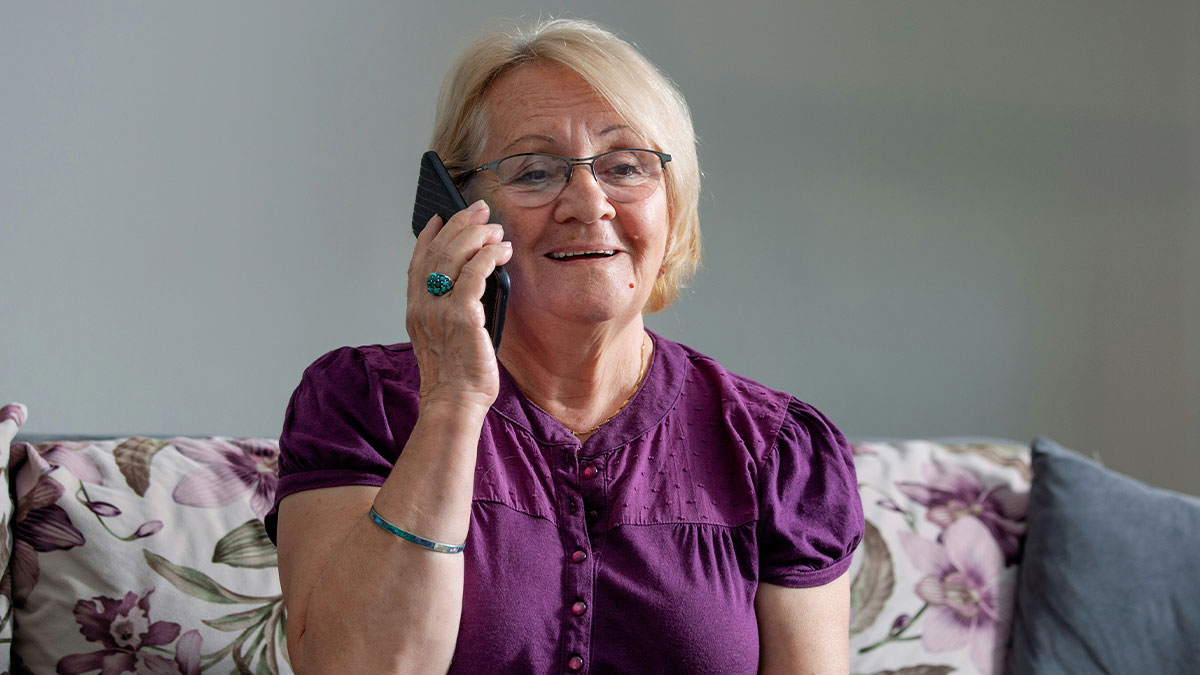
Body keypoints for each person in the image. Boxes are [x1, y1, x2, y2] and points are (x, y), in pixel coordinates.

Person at [266, 17, 863, 675]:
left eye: (625, 166)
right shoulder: (363, 405)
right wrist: (452, 399)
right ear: (460, 213)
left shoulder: (775, 449)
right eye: (535, 171)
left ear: (673, 202)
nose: (588, 202)